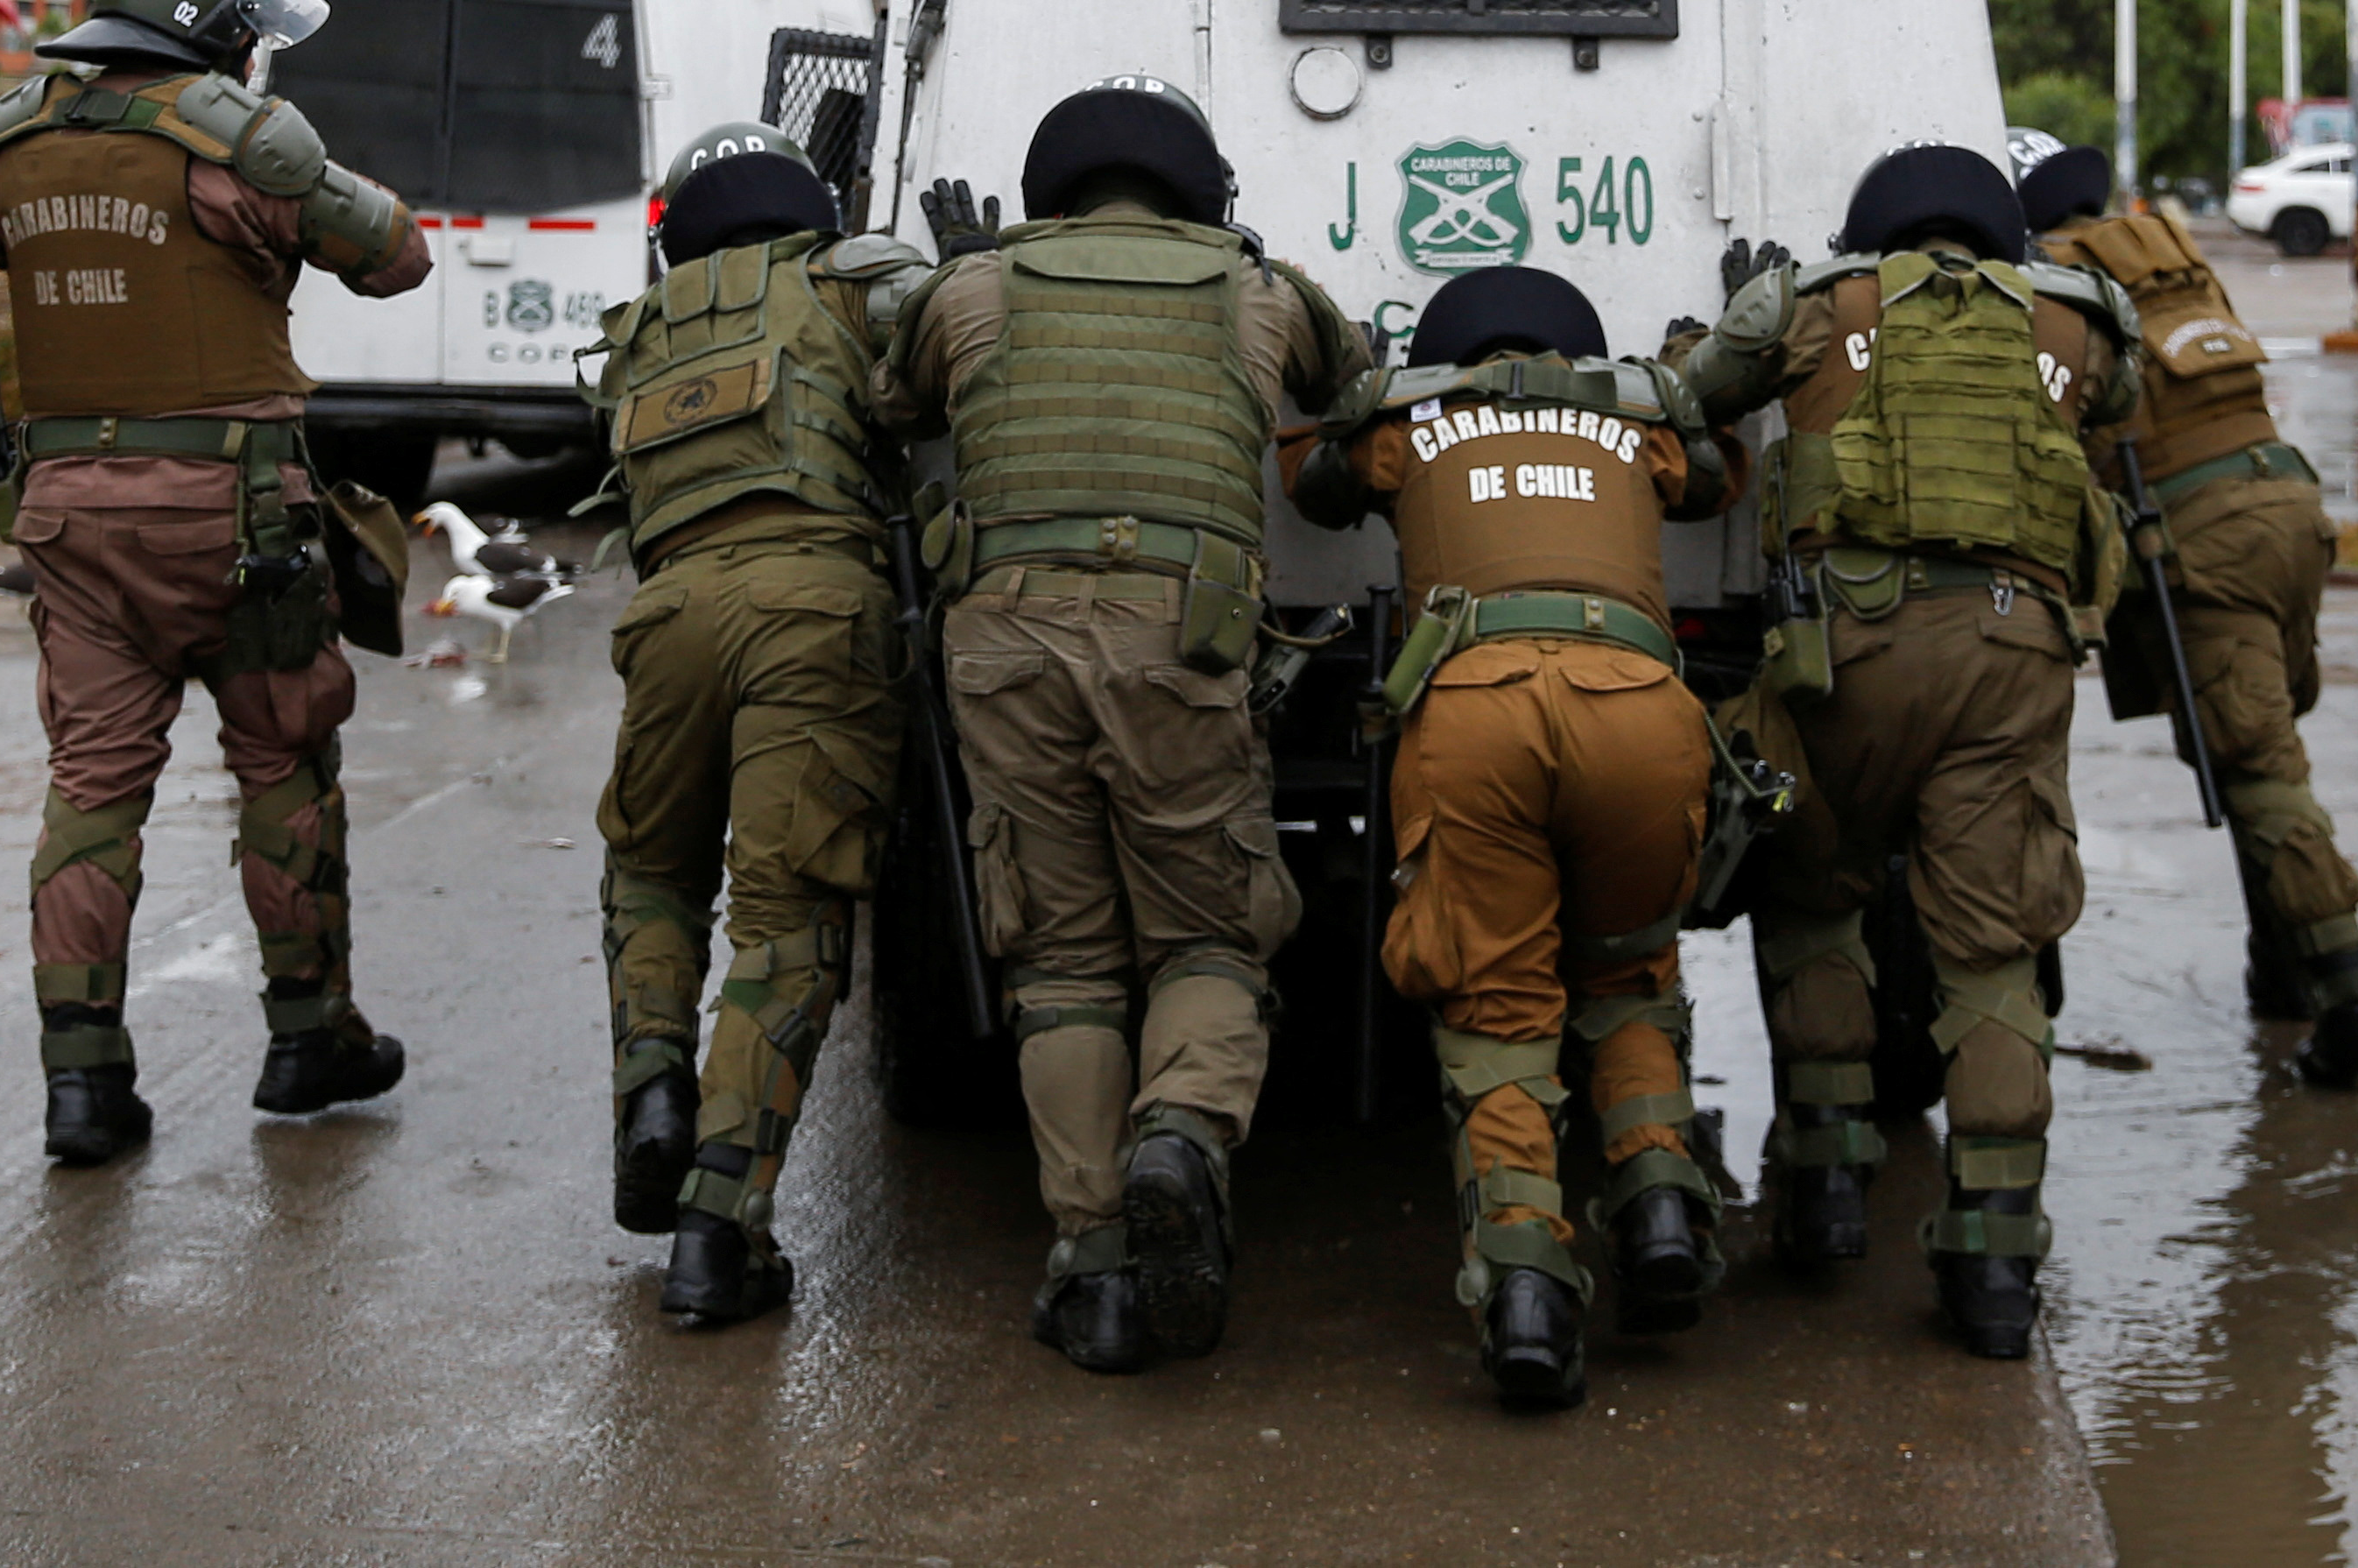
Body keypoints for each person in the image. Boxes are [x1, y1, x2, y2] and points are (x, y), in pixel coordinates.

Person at [0, 0, 430, 1166]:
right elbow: (395, 260)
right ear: (215, 28)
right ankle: (306, 1034)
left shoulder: (7, 145)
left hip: (69, 518)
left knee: (91, 788)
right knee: (282, 765)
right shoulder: (235, 143)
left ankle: (82, 1086)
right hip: (239, 522)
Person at [882, 74, 1362, 1375]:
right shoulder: (1254, 293)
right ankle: (1183, 1134)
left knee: (1063, 960)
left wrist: (966, 270)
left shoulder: (973, 290)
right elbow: (1351, 373)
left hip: (1006, 639)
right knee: (1207, 928)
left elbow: (896, 402)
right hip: (1180, 639)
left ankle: (1090, 1266)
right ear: (1198, 188)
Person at [1670, 144, 2132, 1360]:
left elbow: (1688, 400)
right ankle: (1991, 1260)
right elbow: (2116, 412)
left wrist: (1703, 329)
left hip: (1845, 656)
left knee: (1815, 898)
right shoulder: (2080, 322)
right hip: (2013, 659)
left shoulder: (1814, 305)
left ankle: (1823, 1188)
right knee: (1992, 953)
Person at [1285, 265, 1738, 1408]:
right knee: (1628, 972)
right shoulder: (1629, 420)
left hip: (1477, 714)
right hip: (1639, 706)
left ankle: (1529, 1294)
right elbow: (1717, 480)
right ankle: (1660, 1200)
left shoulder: (1416, 421)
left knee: (1497, 1006)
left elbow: (1316, 482)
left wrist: (1346, 385)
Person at [587, 123, 932, 1324]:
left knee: (650, 874)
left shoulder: (637, 333)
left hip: (669, 612)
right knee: (788, 922)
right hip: (816, 608)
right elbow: (948, 357)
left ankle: (651, 1087)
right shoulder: (851, 278)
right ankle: (717, 1233)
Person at [2020, 141, 2358, 1086]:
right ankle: (2281, 973)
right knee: (2262, 751)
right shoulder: (2164, 255)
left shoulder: (2054, 286)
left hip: (2207, 539)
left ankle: (2354, 1006)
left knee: (2260, 772)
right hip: (2287, 507)